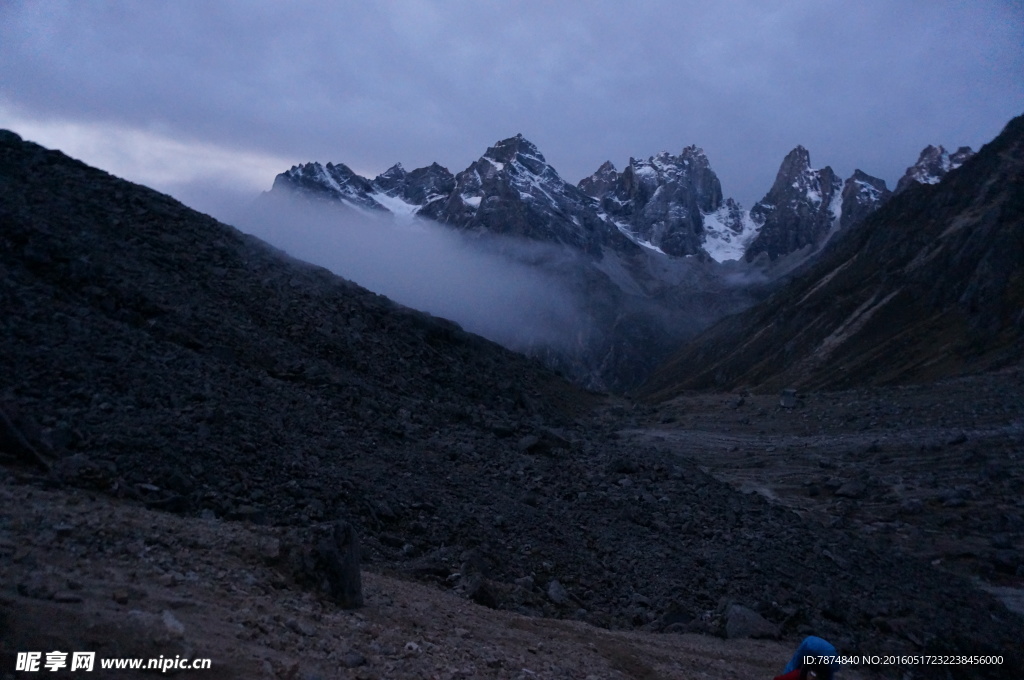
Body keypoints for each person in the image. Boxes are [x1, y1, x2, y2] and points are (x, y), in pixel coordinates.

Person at [772, 636, 837, 680]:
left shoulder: (830, 667)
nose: (812, 679)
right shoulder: (796, 674)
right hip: (810, 645)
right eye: (812, 674)